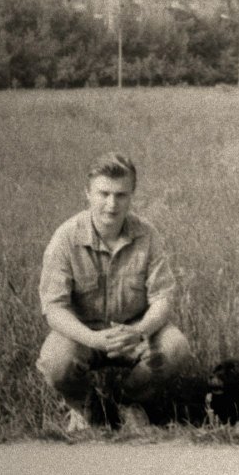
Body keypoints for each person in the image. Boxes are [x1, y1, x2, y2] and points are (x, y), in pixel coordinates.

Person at [37, 153, 193, 432]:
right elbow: (54, 308)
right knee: (55, 360)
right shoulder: (65, 238)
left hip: (134, 331)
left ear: (132, 195)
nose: (111, 204)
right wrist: (92, 338)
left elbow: (162, 298)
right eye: (103, 193)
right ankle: (86, 407)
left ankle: (129, 401)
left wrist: (140, 331)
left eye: (121, 195)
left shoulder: (148, 236)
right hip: (83, 334)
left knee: (175, 348)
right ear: (87, 193)